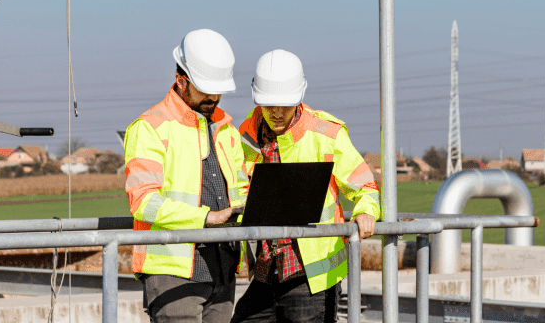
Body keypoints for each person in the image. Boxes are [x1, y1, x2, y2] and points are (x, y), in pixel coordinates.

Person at [232, 49, 381, 323]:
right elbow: (238, 193)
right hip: (266, 269)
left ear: (299, 97)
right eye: (269, 105)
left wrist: (366, 210)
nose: (276, 113)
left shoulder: (326, 134)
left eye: (284, 105)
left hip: (311, 274)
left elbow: (365, 185)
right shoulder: (244, 136)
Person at [123, 29, 249, 323]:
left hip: (223, 268)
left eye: (218, 90)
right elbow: (144, 202)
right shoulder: (151, 127)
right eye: (205, 89)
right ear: (181, 80)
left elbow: (241, 189)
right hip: (174, 273)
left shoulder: (226, 130)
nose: (214, 97)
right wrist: (207, 217)